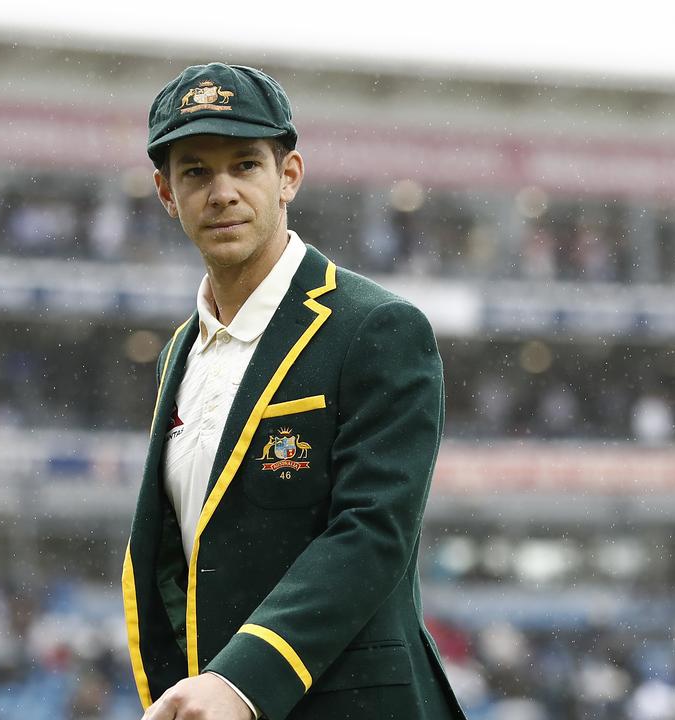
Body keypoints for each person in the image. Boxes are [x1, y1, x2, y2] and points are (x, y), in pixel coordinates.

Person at [122, 62, 465, 720]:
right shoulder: (175, 355)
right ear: (167, 194)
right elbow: (171, 560)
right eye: (195, 171)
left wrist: (241, 682)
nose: (221, 191)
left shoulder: (377, 328)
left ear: (289, 177)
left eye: (245, 165)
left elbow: (371, 534)